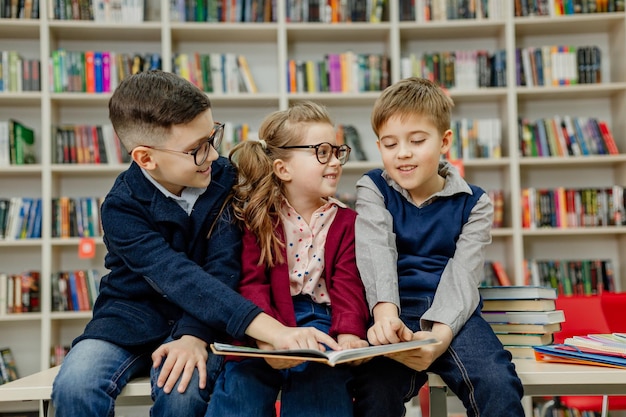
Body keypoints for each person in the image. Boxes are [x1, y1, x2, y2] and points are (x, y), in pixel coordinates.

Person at [50, 71, 340, 417]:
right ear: (146, 158)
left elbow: (223, 267)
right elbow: (177, 276)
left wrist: (193, 335)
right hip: (127, 319)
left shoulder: (223, 179)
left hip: (203, 319)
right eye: (196, 149)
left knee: (183, 395)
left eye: (212, 136)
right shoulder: (120, 207)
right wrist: (273, 330)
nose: (214, 155)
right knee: (75, 386)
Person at [350, 77, 525, 417]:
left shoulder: (474, 202)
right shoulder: (372, 187)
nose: (402, 153)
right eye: (389, 144)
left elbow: (464, 276)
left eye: (417, 140)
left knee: (498, 382)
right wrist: (385, 315)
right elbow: (376, 252)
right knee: (373, 389)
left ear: (445, 141)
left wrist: (440, 337)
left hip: (455, 314)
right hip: (394, 306)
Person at [205, 101, 370, 417]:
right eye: (321, 152)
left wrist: (349, 332)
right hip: (266, 317)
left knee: (321, 385)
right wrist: (267, 338)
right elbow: (251, 283)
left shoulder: (347, 221)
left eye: (337, 152)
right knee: (241, 391)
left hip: (323, 320)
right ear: (283, 168)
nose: (334, 161)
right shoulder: (258, 218)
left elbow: (348, 283)